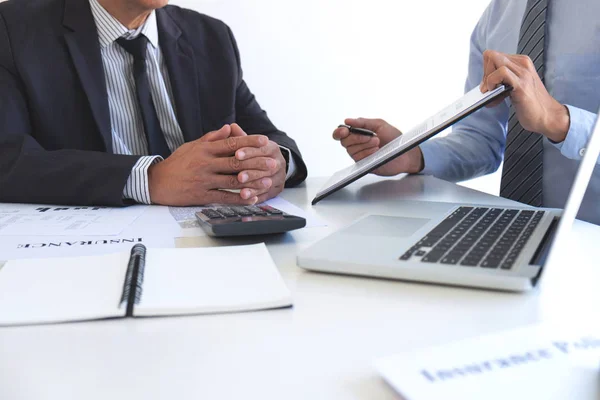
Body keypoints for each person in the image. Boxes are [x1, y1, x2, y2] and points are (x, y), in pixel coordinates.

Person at [0, 0, 307, 207]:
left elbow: (268, 136)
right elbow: (8, 159)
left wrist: (275, 163)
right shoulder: (13, 28)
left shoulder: (211, 36)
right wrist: (150, 179)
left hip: (204, 247)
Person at [333, 0, 600, 225]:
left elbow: (551, 119)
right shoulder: (501, 11)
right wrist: (413, 156)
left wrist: (559, 121)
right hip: (515, 236)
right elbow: (481, 140)